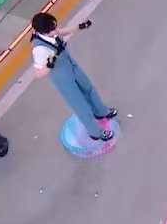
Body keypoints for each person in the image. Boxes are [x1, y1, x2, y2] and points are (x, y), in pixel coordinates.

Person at [30, 13, 117, 141]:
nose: (57, 29)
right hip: (61, 75)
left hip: (71, 64)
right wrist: (49, 65)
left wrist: (79, 27)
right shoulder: (39, 49)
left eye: (55, 25)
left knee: (88, 88)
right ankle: (95, 132)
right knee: (79, 104)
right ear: (44, 32)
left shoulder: (51, 32)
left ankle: (101, 111)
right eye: (53, 28)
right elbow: (37, 73)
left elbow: (60, 32)